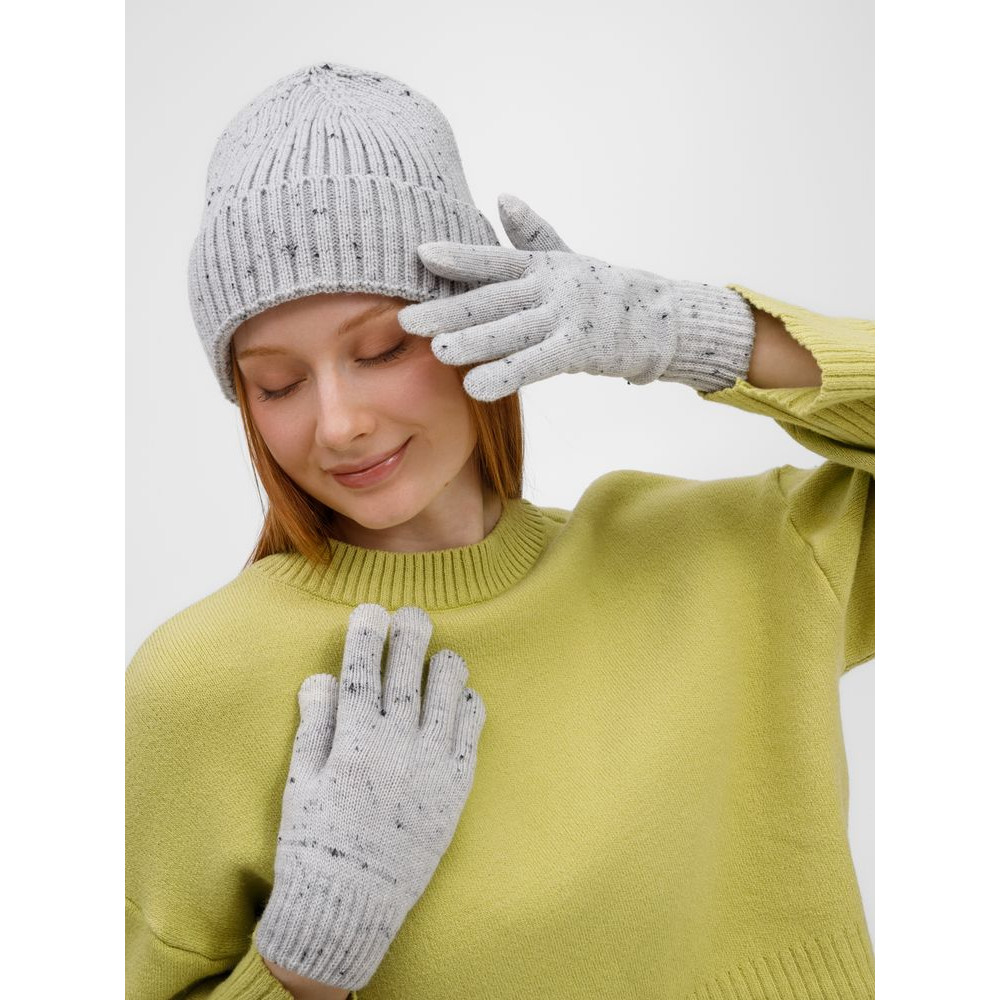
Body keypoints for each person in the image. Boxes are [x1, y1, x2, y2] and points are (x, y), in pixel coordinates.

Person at [125, 61, 875, 1000]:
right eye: (277, 384)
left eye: (382, 348)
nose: (339, 424)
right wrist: (309, 960)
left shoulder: (739, 560)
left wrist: (695, 333)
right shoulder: (196, 686)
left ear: (485, 314)